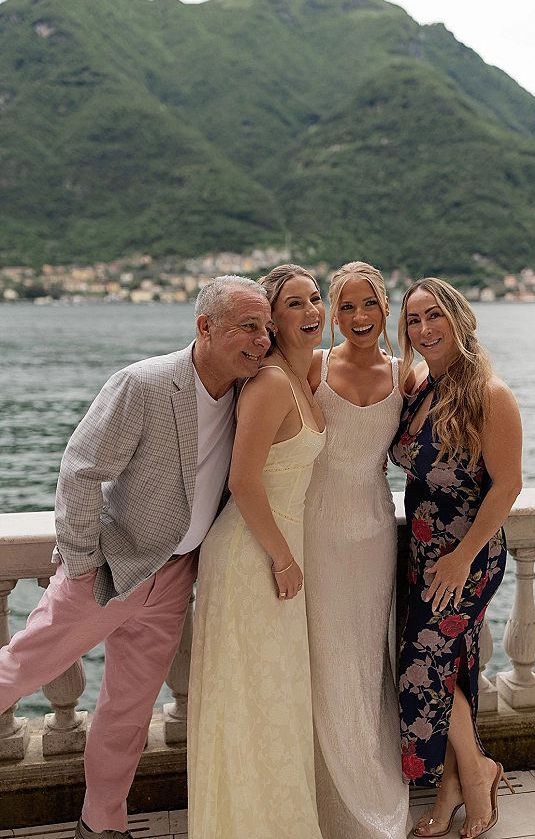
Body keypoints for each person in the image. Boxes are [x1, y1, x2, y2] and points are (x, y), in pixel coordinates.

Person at [0, 275, 273, 839]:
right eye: (249, 326)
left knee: (126, 712)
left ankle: (102, 826)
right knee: (16, 672)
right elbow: (81, 469)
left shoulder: (249, 392)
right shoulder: (144, 384)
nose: (262, 339)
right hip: (109, 571)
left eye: (266, 328)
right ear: (205, 327)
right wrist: (79, 566)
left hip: (174, 578)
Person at [187, 264, 326, 839]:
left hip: (274, 548)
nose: (311, 313)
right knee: (250, 701)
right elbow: (244, 481)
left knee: (276, 698)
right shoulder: (270, 384)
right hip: (254, 554)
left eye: (316, 299)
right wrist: (283, 558)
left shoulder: (298, 376)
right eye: (292, 305)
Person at [389, 278, 522, 839]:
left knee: (423, 669)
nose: (424, 329)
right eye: (413, 320)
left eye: (433, 315)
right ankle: (457, 786)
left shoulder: (490, 394)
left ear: (459, 318)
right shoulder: (421, 386)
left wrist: (462, 558)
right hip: (422, 553)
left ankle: (474, 776)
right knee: (448, 669)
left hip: (467, 558)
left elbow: (507, 486)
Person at [304, 261, 413, 839]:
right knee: (325, 659)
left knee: (369, 662)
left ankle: (372, 792)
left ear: (385, 307)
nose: (358, 317)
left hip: (375, 531)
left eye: (368, 304)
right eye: (345, 307)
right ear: (333, 315)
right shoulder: (313, 365)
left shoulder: (407, 376)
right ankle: (328, 798)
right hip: (318, 531)